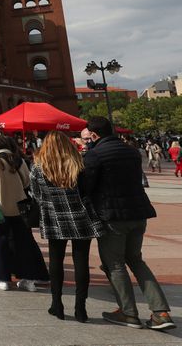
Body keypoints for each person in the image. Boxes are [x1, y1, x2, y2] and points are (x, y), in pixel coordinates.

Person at [82, 117, 175, 330]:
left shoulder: (95, 155)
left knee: (114, 265)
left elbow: (87, 185)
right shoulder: (131, 151)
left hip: (112, 216)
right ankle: (160, 311)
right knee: (136, 260)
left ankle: (128, 312)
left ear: (94, 135)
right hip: (138, 213)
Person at [30, 131, 102, 323]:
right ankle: (81, 309)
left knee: (55, 261)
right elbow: (87, 190)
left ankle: (57, 305)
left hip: (54, 217)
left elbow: (36, 194)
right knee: (81, 262)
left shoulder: (38, 167)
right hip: (80, 217)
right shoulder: (78, 164)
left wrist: (51, 202)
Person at [0, 134, 48, 292]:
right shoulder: (19, 160)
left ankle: (2, 278)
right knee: (23, 244)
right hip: (21, 209)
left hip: (1, 209)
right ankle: (28, 279)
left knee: (1, 244)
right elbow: (27, 181)